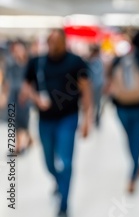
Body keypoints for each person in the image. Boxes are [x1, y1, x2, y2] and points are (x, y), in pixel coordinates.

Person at [20, 29, 94, 217]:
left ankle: (64, 202)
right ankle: (59, 181)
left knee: (66, 162)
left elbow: (86, 89)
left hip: (68, 118)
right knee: (48, 162)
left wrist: (88, 119)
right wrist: (36, 99)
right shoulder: (37, 62)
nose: (54, 45)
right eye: (50, 41)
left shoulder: (76, 62)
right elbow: (26, 85)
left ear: (64, 42)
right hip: (45, 120)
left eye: (57, 41)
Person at [107, 31, 139, 193]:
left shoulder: (120, 59)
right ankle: (133, 173)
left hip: (121, 106)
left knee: (129, 137)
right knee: (138, 137)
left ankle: (136, 165)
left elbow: (110, 80)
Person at [4, 40, 32, 154]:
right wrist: (4, 95)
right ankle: (18, 145)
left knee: (24, 120)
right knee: (13, 121)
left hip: (25, 96)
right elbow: (7, 81)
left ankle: (24, 142)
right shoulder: (10, 63)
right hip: (13, 95)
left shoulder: (29, 63)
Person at [88, 45, 105, 128]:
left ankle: (95, 118)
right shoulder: (96, 61)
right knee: (95, 103)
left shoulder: (95, 61)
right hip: (95, 86)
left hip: (95, 86)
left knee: (95, 103)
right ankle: (93, 118)